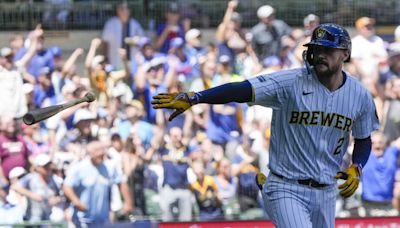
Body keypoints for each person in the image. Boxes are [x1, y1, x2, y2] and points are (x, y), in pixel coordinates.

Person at [152, 23, 379, 227]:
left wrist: (357, 166)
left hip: (326, 192)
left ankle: (269, 192)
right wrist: (196, 97)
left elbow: (363, 137)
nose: (320, 54)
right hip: (287, 186)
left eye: (327, 50)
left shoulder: (359, 94)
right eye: (316, 49)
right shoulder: (291, 82)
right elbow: (242, 89)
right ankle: (270, 190)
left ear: (345, 54)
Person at [63, 140, 132, 227]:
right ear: (90, 153)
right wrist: (77, 202)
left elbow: (121, 182)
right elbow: (67, 186)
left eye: (102, 151)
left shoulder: (108, 168)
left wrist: (128, 202)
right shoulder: (79, 168)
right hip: (82, 220)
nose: (101, 154)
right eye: (97, 151)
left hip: (102, 219)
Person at [102, 0, 145, 70]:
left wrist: (135, 42)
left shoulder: (135, 24)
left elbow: (143, 42)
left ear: (129, 11)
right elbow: (104, 43)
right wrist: (105, 60)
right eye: (121, 8)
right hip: (114, 63)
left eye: (126, 8)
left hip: (132, 64)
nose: (124, 11)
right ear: (117, 10)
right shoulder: (110, 24)